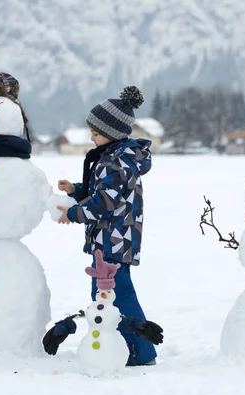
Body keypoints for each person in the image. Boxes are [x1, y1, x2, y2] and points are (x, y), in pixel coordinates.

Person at [56, 86, 157, 366]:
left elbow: (104, 201)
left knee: (113, 295)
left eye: (96, 133)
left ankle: (137, 351)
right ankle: (124, 348)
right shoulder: (115, 158)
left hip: (114, 239)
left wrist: (75, 213)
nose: (92, 137)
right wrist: (76, 190)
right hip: (112, 238)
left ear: (112, 133)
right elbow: (102, 191)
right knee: (110, 293)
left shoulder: (116, 162)